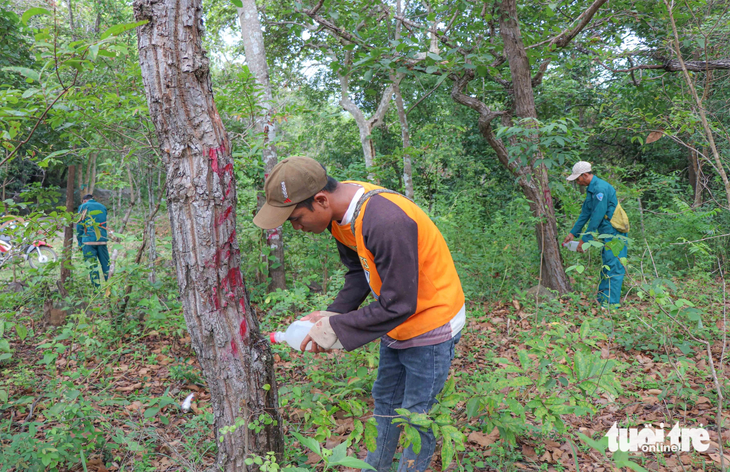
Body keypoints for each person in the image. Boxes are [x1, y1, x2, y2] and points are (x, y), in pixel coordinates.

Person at [253, 156, 465, 472]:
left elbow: (399, 304)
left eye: (296, 218)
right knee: (385, 401)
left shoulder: (385, 221)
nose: (296, 227)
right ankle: (376, 467)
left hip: (430, 322)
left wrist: (337, 327)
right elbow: (358, 270)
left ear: (321, 200)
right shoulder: (341, 219)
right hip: (395, 322)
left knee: (416, 416)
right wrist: (334, 313)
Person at [563, 161, 628, 307]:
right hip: (606, 233)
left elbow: (597, 217)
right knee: (607, 265)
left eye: (578, 179)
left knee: (615, 266)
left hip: (614, 233)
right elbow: (585, 213)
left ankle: (611, 305)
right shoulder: (592, 190)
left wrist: (584, 239)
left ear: (585, 175)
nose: (577, 182)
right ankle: (602, 300)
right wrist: (573, 233)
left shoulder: (600, 189)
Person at [76, 194, 109, 288]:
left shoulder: (83, 207)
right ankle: (110, 287)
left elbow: (79, 226)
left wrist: (79, 241)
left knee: (92, 267)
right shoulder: (103, 207)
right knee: (106, 265)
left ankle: (96, 290)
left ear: (84, 201)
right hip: (102, 240)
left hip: (88, 241)